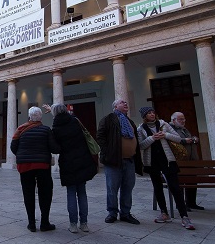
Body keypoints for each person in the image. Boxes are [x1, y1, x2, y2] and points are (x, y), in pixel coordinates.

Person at [137, 107, 195, 230]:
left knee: (175, 187)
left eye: (153, 112)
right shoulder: (141, 129)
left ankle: (184, 216)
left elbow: (178, 138)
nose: (152, 114)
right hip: (152, 161)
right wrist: (152, 138)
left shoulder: (163, 124)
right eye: (149, 113)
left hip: (167, 160)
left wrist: (165, 135)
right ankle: (164, 213)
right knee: (157, 187)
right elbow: (141, 145)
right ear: (144, 116)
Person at [44, 103, 97, 233]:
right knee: (82, 192)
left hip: (68, 162)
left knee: (71, 193)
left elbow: (56, 148)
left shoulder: (55, 128)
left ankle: (73, 224)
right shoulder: (75, 121)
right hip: (82, 159)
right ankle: (84, 224)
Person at [10, 106, 60, 232]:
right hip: (42, 165)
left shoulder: (20, 129)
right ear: (40, 117)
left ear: (29, 117)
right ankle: (44, 223)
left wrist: (22, 156)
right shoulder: (46, 130)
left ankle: (31, 224)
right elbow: (54, 148)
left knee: (28, 194)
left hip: (25, 166)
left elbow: (13, 147)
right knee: (45, 194)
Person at [97, 99, 143, 225]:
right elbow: (100, 137)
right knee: (112, 187)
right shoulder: (108, 119)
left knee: (128, 187)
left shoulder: (129, 122)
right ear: (115, 106)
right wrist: (108, 152)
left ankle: (125, 213)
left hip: (129, 160)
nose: (126, 103)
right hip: (113, 161)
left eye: (126, 102)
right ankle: (112, 213)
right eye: (122, 102)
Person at [170, 112, 204, 211]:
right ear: (174, 120)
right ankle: (181, 204)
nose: (183, 121)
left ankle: (191, 202)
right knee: (180, 183)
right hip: (180, 161)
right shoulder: (170, 129)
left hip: (191, 160)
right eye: (180, 119)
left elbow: (188, 138)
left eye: (184, 119)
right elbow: (173, 141)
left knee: (192, 181)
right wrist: (184, 140)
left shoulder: (184, 129)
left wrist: (194, 139)